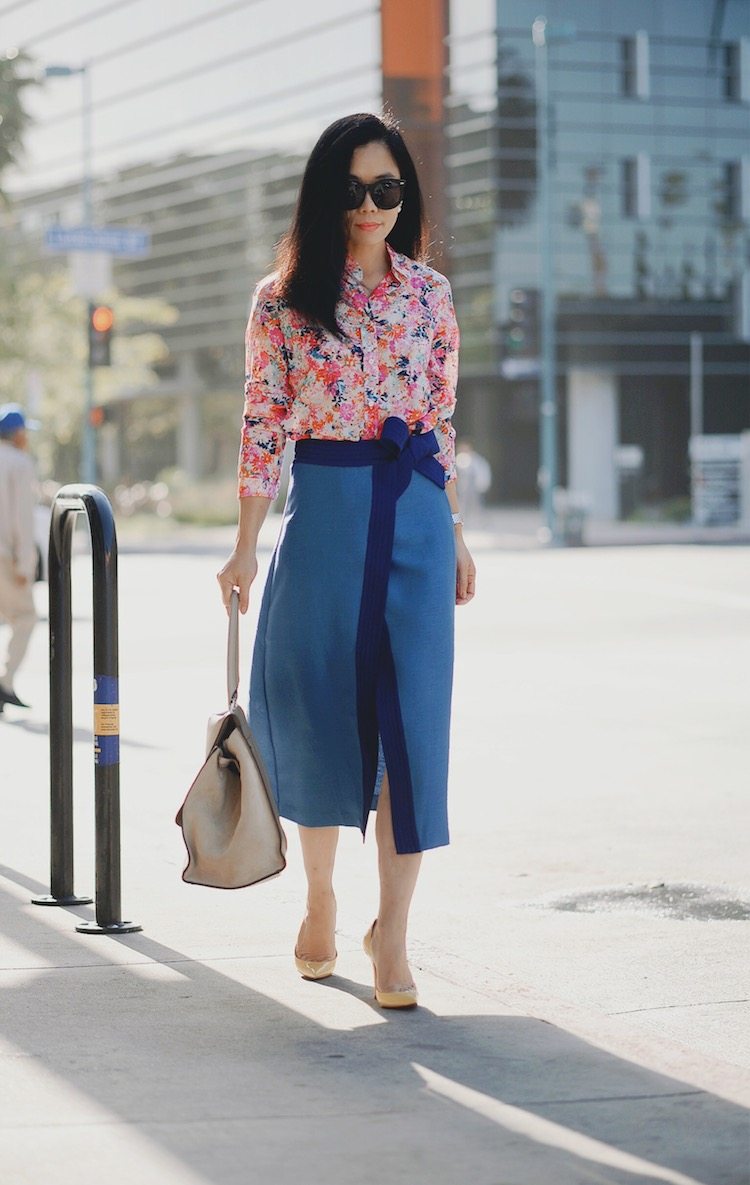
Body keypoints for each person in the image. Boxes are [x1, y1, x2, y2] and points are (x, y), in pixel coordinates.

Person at [217, 113, 476, 1009]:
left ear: (405, 197)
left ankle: (392, 933)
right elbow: (262, 426)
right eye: (357, 188)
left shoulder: (430, 295)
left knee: (412, 732)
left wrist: (457, 530)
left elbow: (440, 422)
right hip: (323, 515)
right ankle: (322, 896)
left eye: (389, 190)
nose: (371, 207)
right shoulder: (282, 298)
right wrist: (245, 547)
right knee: (321, 711)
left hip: (412, 516)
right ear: (329, 190)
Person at [0, 403, 39, 712]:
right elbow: (22, 521)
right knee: (25, 617)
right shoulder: (18, 462)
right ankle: (6, 682)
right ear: (16, 433)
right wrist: (25, 564)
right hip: (6, 554)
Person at [456, 437, 492, 526]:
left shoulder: (476, 459)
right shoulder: (460, 458)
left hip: (474, 486)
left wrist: (482, 484)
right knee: (462, 504)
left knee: (477, 504)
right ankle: (462, 521)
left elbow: (482, 472)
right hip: (463, 486)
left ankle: (482, 520)